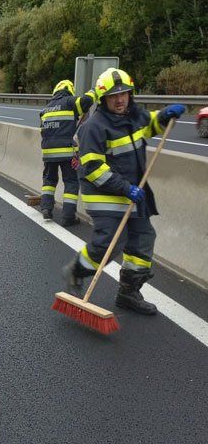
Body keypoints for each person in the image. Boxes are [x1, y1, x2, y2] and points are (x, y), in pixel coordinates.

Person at [62, 68, 185, 314]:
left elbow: (150, 125)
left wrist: (164, 116)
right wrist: (125, 188)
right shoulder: (93, 127)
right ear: (103, 98)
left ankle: (129, 292)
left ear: (130, 94)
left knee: (142, 239)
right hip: (105, 196)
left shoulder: (135, 116)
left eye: (124, 94)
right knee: (109, 243)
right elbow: (93, 169)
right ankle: (77, 270)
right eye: (113, 95)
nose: (120, 100)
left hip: (134, 192)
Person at [39, 79, 96, 226]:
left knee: (49, 181)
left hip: (48, 153)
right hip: (66, 152)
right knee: (71, 182)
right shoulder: (69, 101)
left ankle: (46, 209)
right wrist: (93, 92)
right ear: (69, 90)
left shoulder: (46, 109)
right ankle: (68, 217)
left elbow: (44, 131)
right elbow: (86, 102)